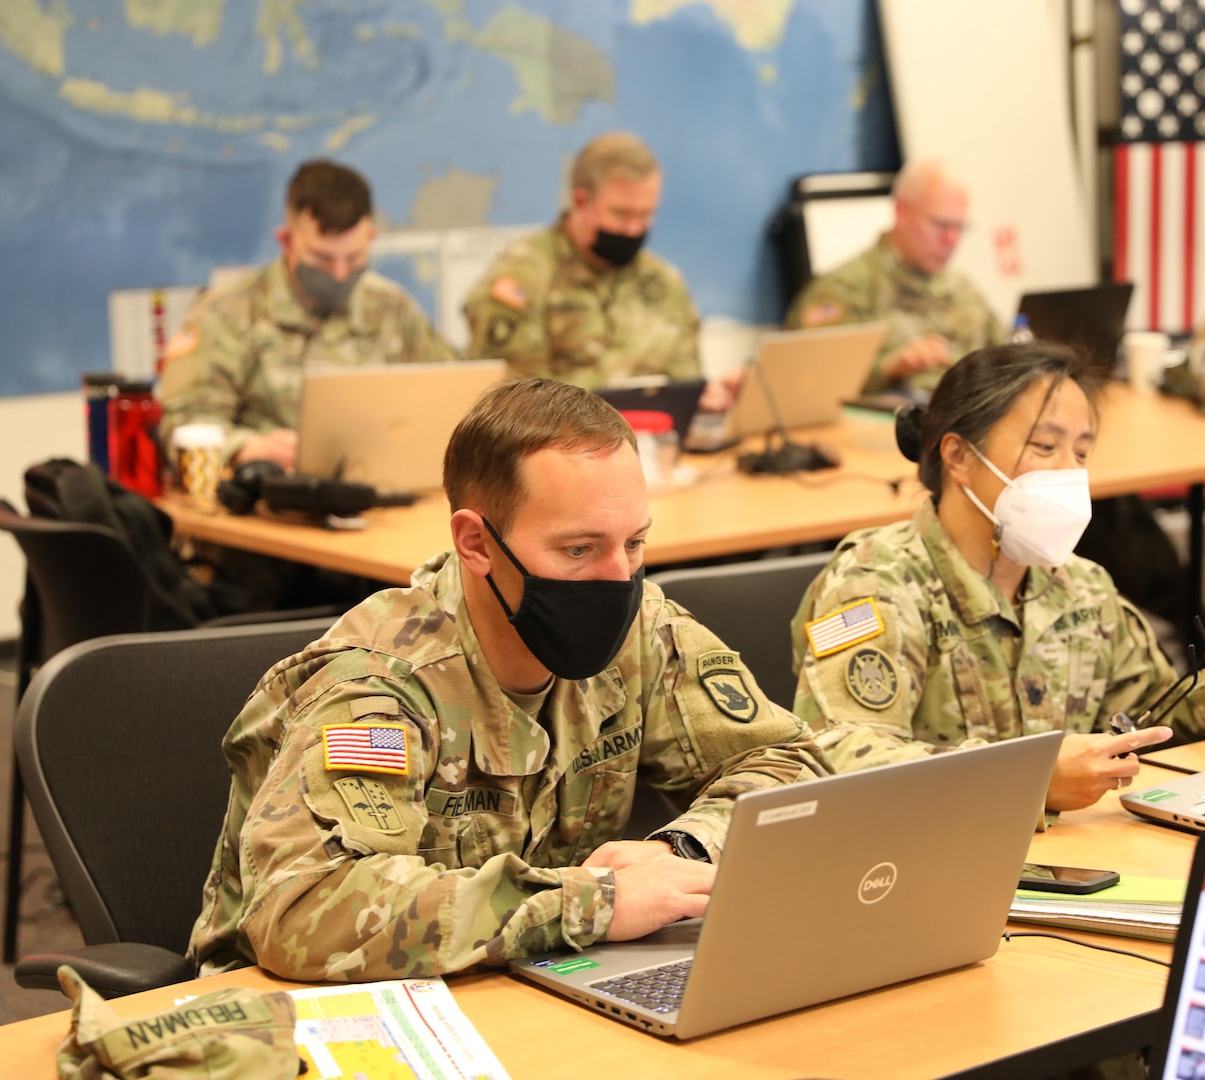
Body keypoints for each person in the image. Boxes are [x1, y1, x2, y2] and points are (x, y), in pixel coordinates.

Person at [188, 378, 829, 980]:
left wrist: (683, 852)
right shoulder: (380, 688)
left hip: (542, 978)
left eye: (633, 544)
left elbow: (788, 762)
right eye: (578, 550)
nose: (617, 579)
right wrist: (590, 904)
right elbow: (307, 908)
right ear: (476, 543)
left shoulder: (644, 634)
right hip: (326, 1017)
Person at [789, 343, 1205, 817]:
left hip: (1069, 861)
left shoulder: (1082, 585)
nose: (1067, 473)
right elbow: (839, 750)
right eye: (1044, 447)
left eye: (1080, 452)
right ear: (957, 456)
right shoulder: (873, 585)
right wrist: (1031, 779)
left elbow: (1143, 713)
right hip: (921, 861)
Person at [159, 159, 458, 470]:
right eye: (322, 259)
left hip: (384, 493)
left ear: (370, 239)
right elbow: (183, 425)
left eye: (354, 258)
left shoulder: (392, 307)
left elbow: (453, 400)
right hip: (269, 500)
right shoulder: (227, 311)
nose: (340, 274)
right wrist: (249, 447)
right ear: (287, 241)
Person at [463, 132, 738, 411]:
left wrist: (706, 400)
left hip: (656, 448)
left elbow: (685, 386)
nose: (634, 229)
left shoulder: (664, 283)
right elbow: (514, 408)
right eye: (621, 214)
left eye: (645, 215)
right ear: (580, 201)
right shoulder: (523, 279)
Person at [785, 160, 1005, 397]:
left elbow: (1008, 357)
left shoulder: (965, 291)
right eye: (940, 225)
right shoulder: (845, 290)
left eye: (959, 227)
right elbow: (808, 384)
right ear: (901, 211)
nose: (951, 240)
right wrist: (888, 368)